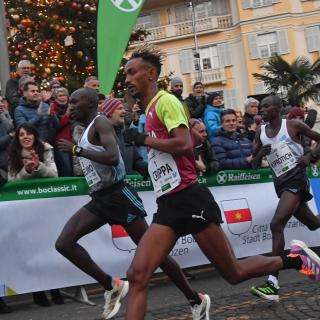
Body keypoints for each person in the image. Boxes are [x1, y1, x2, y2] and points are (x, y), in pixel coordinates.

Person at [122, 45, 320, 320]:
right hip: (168, 203)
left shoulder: (165, 101)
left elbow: (184, 144)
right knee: (137, 275)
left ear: (151, 74)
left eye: (132, 72)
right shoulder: (148, 109)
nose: (128, 79)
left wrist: (143, 140)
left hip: (190, 198)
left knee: (234, 273)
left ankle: (296, 259)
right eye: (125, 74)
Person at [55, 88, 207, 320]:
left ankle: (195, 299)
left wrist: (77, 150)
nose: (71, 106)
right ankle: (111, 285)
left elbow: (113, 157)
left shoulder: (101, 123)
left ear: (90, 102)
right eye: (70, 102)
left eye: (75, 102)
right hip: (100, 199)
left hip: (119, 196)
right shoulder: (83, 130)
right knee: (64, 243)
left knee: (157, 256)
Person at [250, 95, 320, 301]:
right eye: (260, 107)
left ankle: (272, 283)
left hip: (297, 181)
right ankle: (301, 253)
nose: (261, 109)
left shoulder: (293, 125)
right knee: (313, 223)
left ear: (278, 108)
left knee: (276, 224)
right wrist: (260, 153)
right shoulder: (260, 132)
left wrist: (310, 156)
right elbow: (253, 164)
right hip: (280, 184)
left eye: (266, 106)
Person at [7, 123, 62, 306]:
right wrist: (27, 171)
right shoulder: (13, 154)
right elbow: (11, 181)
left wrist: (39, 166)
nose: (25, 137)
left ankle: (55, 289)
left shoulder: (46, 150)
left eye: (29, 133)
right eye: (21, 134)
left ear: (35, 135)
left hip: (46, 207)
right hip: (24, 208)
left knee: (50, 247)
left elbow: (54, 175)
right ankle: (38, 293)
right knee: (32, 250)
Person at [101, 97, 148, 177]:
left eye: (123, 108)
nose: (124, 111)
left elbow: (136, 161)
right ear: (109, 113)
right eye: (119, 109)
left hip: (126, 185)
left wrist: (148, 169)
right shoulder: (100, 136)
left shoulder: (125, 135)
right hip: (110, 185)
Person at [50, 87, 73, 176]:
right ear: (55, 98)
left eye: (64, 95)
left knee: (74, 168)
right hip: (61, 142)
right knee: (66, 168)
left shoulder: (72, 106)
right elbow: (57, 125)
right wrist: (67, 115)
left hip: (73, 141)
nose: (62, 97)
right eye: (60, 95)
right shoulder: (53, 107)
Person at [0, 96, 14, 185]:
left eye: (1, 101)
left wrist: (5, 114)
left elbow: (11, 128)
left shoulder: (3, 116)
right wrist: (10, 136)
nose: (1, 104)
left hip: (8, 164)